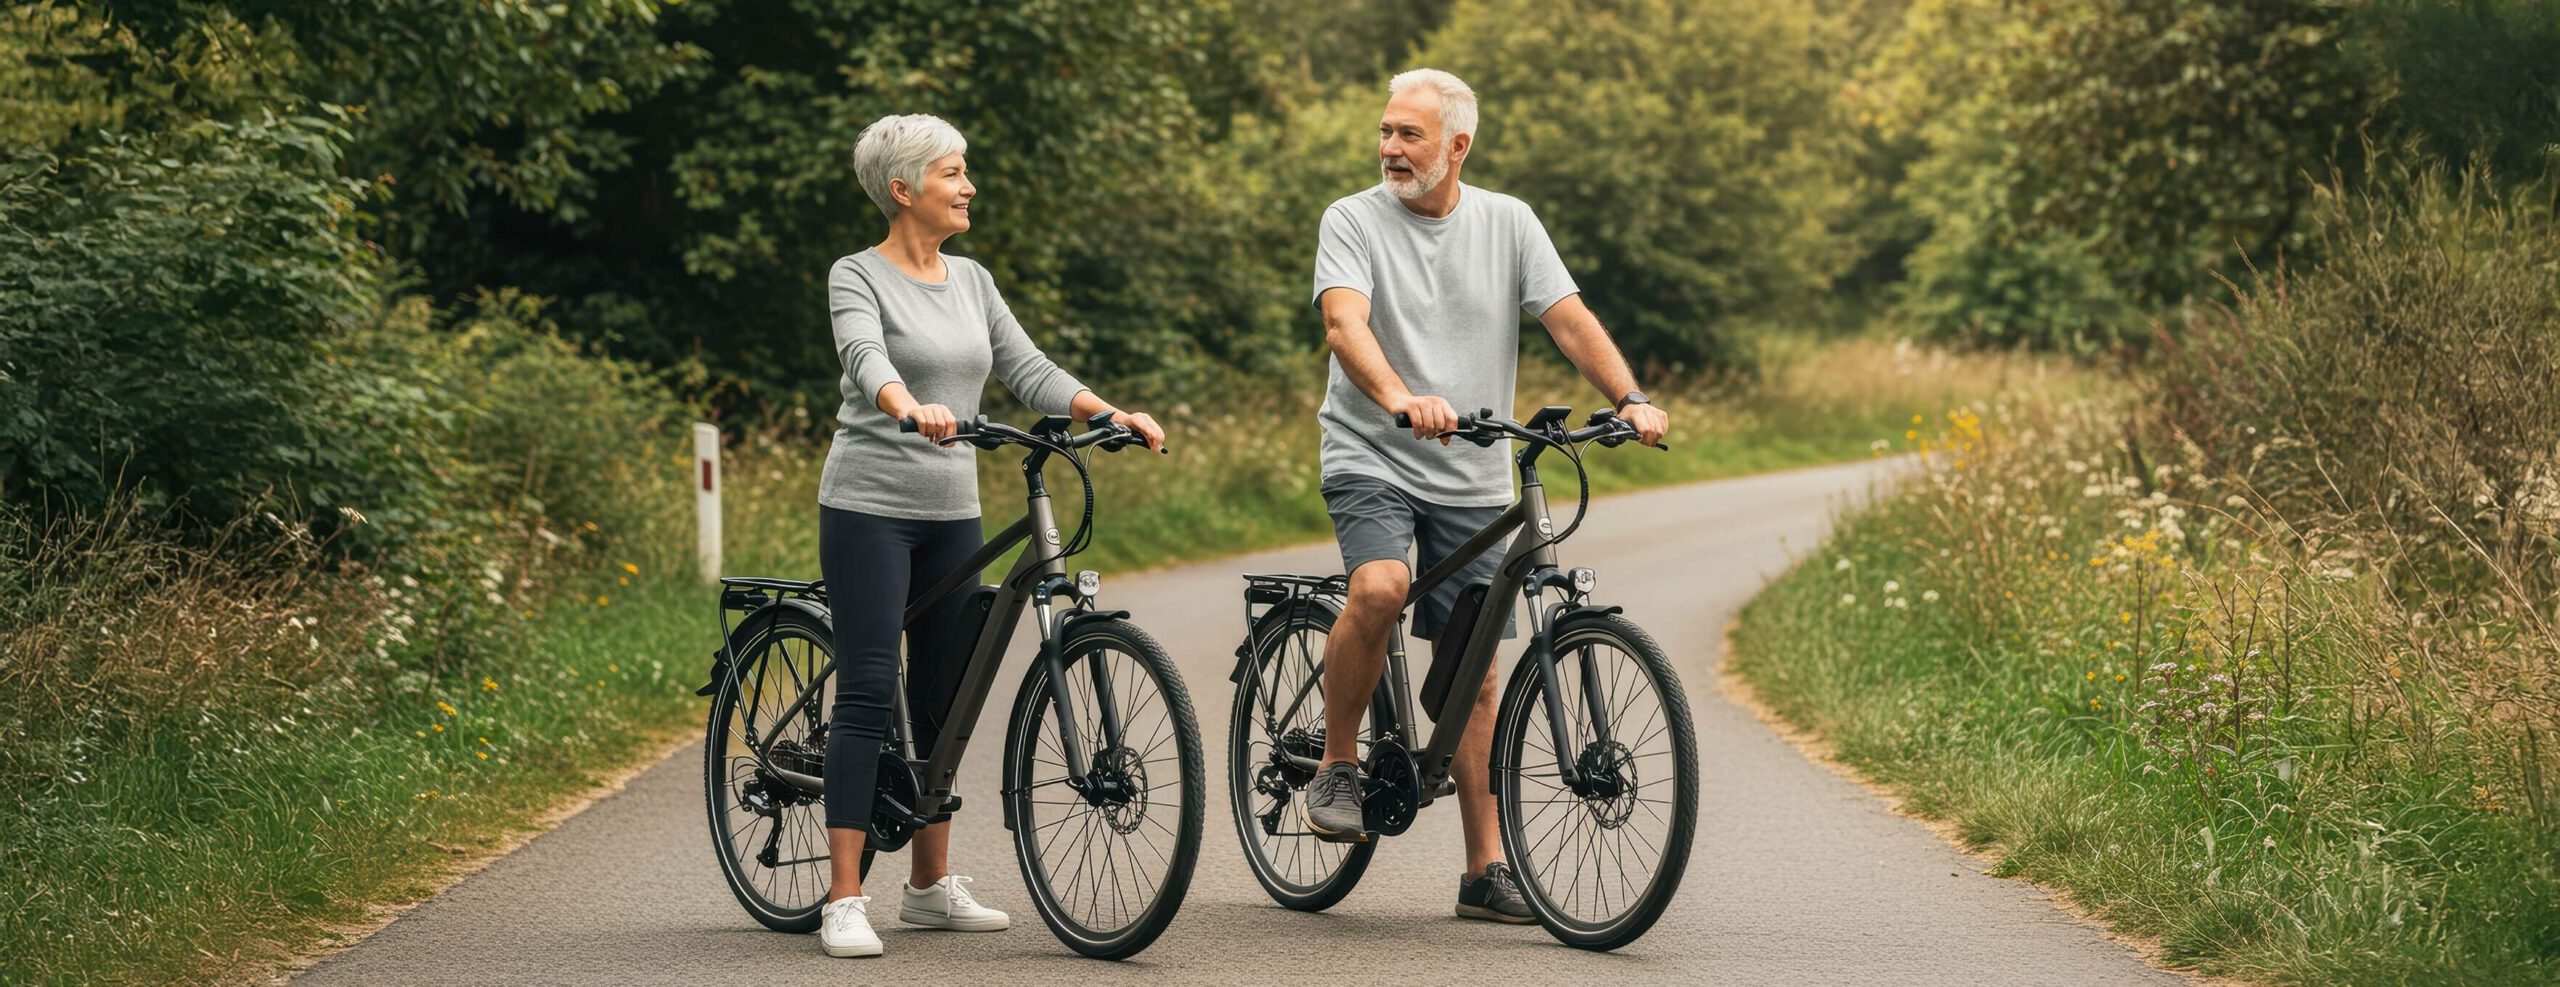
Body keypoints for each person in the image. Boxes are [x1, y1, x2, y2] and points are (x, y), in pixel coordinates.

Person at [1298, 69, 1670, 923]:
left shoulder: (1509, 221)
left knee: (1478, 669)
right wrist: (1396, 396)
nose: (1391, 148)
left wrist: (1630, 397)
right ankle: (1338, 763)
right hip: (1373, 454)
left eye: (1410, 136)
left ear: (1457, 146)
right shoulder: (1352, 219)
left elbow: (1567, 316)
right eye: (1386, 132)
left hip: (1472, 470)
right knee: (1382, 587)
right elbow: (1344, 323)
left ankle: (1482, 869)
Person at [815, 113, 1166, 959]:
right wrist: (908, 405)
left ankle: (929, 887)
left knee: (944, 694)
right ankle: (844, 896)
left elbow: (1027, 367)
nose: (968, 185)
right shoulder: (855, 274)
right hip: (868, 504)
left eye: (966, 170)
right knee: (869, 687)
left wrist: (1106, 410)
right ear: (903, 190)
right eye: (952, 173)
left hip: (951, 511)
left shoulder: (972, 279)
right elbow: (866, 357)